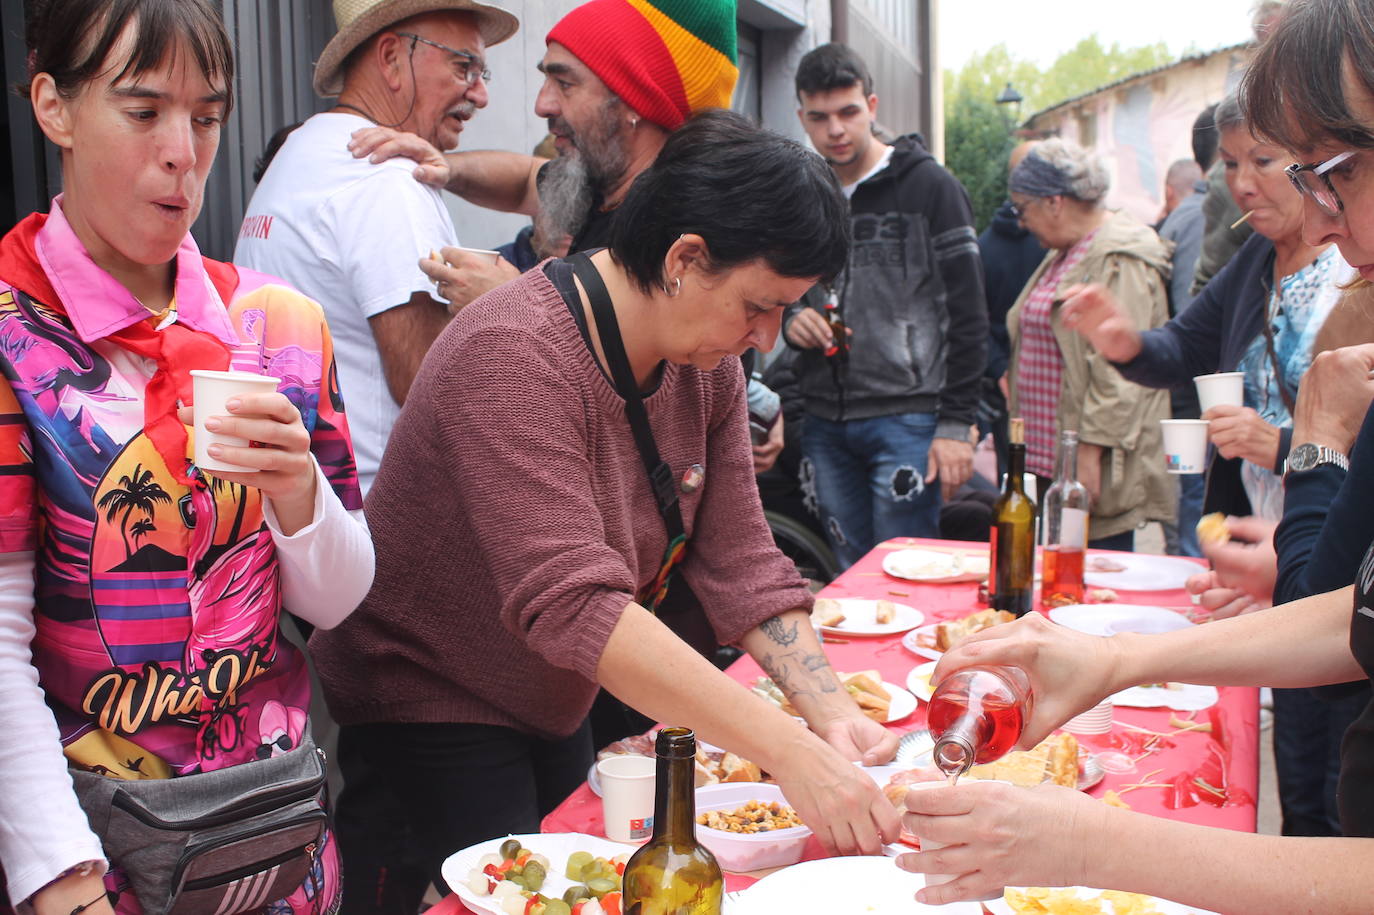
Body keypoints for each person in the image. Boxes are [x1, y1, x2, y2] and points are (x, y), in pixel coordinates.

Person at [310, 110, 901, 908]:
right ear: (686, 258)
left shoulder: (707, 363)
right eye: (757, 306)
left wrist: (833, 718)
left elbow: (741, 558)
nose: (764, 339)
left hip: (553, 690)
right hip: (426, 694)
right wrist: (792, 752)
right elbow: (574, 602)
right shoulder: (513, 350)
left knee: (586, 877)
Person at [898, 3, 1374, 908]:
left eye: (1328, 177)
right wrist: (1115, 662)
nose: (1320, 227)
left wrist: (1090, 840)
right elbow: (1355, 617)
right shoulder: (1255, 269)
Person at [0, 1, 375, 913]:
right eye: (142, 112)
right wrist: (62, 876)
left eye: (206, 117)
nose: (183, 151)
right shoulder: (16, 344)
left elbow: (337, 599)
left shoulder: (278, 325)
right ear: (54, 108)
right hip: (103, 850)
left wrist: (297, 489)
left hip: (278, 847)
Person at [233, 0, 518, 496]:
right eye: (463, 66)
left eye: (482, 70)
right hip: (373, 523)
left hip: (305, 512)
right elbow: (431, 383)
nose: (481, 93)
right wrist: (509, 306)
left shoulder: (300, 150)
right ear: (391, 58)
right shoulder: (384, 180)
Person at [355, 0, 741, 313]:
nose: (542, 105)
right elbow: (526, 180)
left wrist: (514, 301)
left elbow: (645, 390)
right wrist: (443, 167)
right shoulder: (601, 182)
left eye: (565, 83)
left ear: (636, 102)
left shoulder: (686, 237)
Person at [782, 43, 987, 568]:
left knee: (906, 569)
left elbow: (969, 314)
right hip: (824, 421)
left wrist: (955, 423)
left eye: (849, 112)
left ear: (872, 105)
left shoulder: (930, 186)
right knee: (849, 575)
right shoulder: (800, 192)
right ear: (801, 116)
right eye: (820, 117)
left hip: (910, 418)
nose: (836, 130)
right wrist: (789, 316)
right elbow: (770, 281)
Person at [1004, 139, 1174, 550]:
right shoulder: (1067, 250)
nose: (1021, 224)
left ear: (1054, 203)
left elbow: (1119, 369)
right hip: (1050, 455)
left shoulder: (1118, 253)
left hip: (1086, 460)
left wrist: (1088, 454)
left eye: (1022, 209)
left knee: (1090, 581)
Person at [978, 141, 1047, 479]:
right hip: (1010, 393)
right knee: (1018, 484)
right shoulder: (986, 247)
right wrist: (1000, 370)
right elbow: (974, 319)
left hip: (1056, 388)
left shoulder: (1064, 241)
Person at [1158, 157, 1208, 557]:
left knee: (1192, 485)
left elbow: (1188, 319)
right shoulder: (1199, 218)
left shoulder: (1184, 219)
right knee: (1193, 485)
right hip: (1194, 382)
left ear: (1169, 192)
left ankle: (1189, 560)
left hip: (1191, 384)